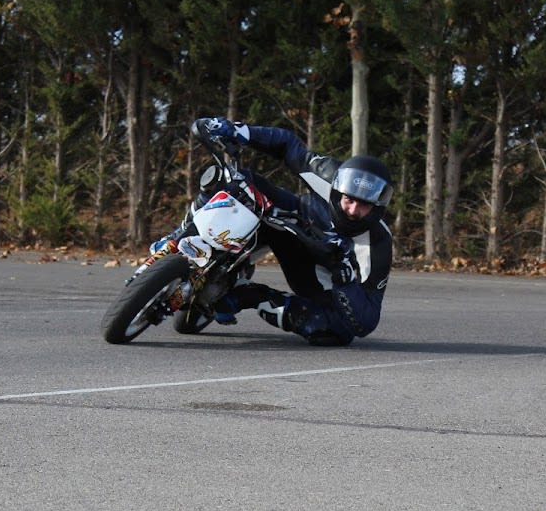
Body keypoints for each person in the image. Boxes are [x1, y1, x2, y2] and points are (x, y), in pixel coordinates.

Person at [149, 116, 394, 346]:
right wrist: (239, 131)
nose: (352, 210)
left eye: (364, 205)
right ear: (338, 189)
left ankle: (250, 295)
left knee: (339, 332)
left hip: (314, 272)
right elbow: (288, 145)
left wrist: (345, 279)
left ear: (378, 207)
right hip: (295, 217)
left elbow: (367, 321)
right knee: (232, 179)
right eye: (349, 199)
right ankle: (179, 236)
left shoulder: (378, 244)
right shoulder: (327, 174)